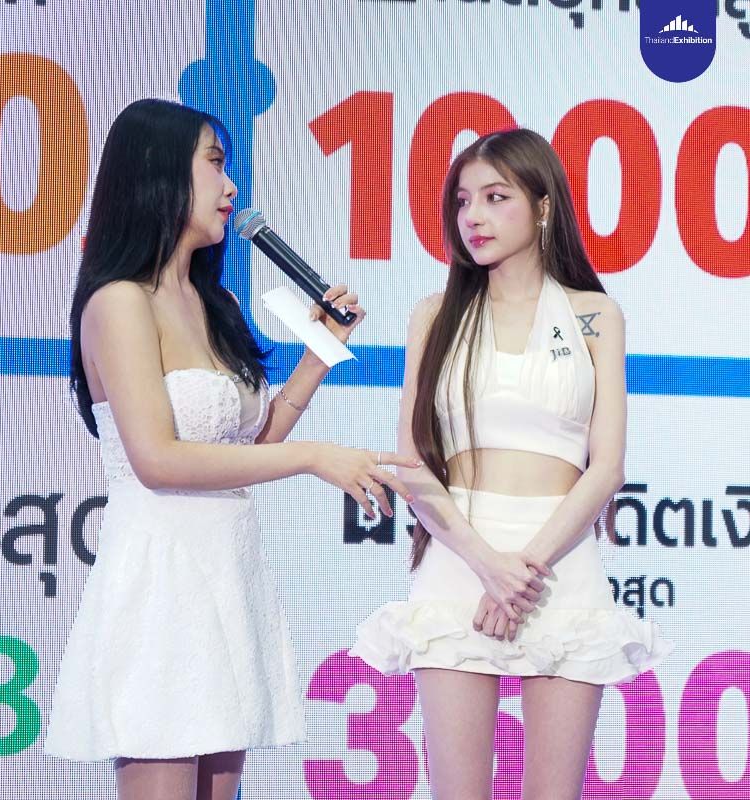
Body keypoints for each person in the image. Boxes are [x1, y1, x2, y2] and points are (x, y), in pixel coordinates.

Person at [43, 98, 420, 800]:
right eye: (214, 164)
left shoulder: (216, 303)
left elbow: (248, 448)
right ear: (159, 173)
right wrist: (314, 457)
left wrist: (317, 355)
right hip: (161, 581)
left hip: (228, 573)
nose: (231, 187)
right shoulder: (118, 302)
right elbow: (159, 459)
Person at [350, 128, 672, 800]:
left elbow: (606, 467)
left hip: (558, 565)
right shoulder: (434, 315)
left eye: (496, 198)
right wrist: (489, 566)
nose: (474, 216)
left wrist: (522, 571)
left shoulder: (594, 316)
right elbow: (413, 463)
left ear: (542, 204)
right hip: (458, 561)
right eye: (463, 200)